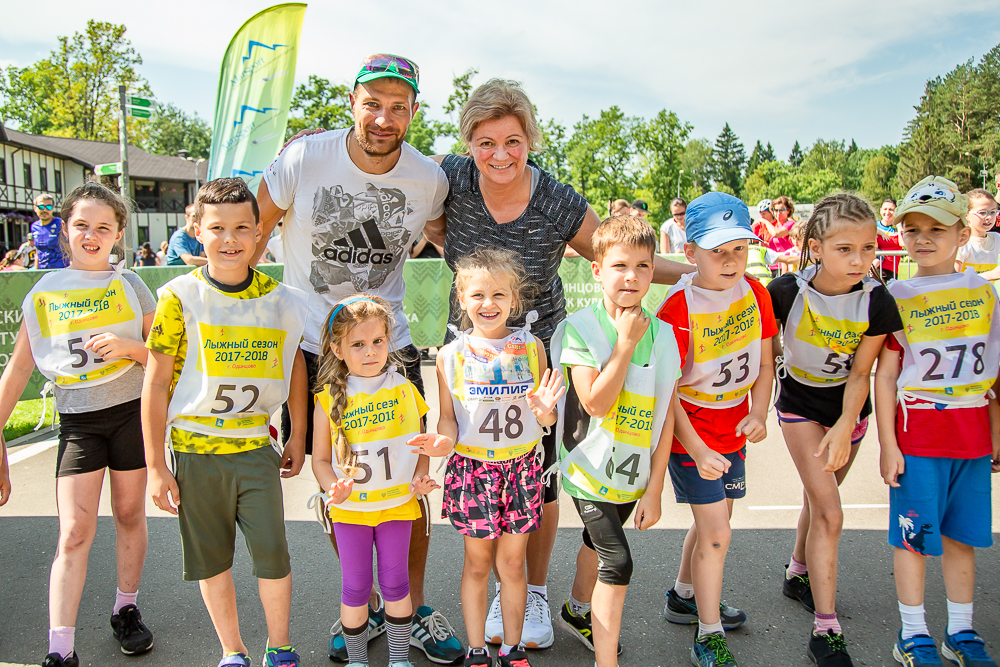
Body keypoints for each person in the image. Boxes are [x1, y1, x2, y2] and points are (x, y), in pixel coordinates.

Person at [425, 79, 695, 649]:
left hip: (539, 359)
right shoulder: (447, 178)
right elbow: (415, 210)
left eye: (513, 140)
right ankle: (490, 588)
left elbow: (619, 256)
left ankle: (533, 591)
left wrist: (701, 272)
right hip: (471, 353)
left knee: (536, 480)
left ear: (531, 139)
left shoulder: (556, 200)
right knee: (478, 469)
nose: (500, 154)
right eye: (485, 141)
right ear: (468, 142)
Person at [255, 54, 464, 664]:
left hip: (388, 343)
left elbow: (451, 239)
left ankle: (410, 605)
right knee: (337, 479)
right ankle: (362, 602)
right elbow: (255, 227)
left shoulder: (428, 177)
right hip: (315, 345)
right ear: (352, 101)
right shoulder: (305, 157)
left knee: (407, 482)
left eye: (398, 106)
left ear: (413, 113)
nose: (383, 117)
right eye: (372, 103)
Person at [142, 178, 310, 667]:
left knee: (273, 556)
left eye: (242, 227)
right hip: (196, 453)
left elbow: (294, 364)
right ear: (197, 230)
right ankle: (231, 650)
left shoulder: (284, 300)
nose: (230, 238)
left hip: (257, 449)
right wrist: (156, 465)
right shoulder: (178, 297)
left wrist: (298, 431)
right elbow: (155, 384)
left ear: (260, 232)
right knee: (213, 562)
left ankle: (278, 646)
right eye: (217, 228)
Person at [0, 182, 157, 667]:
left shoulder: (131, 286)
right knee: (73, 531)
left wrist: (131, 349)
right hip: (79, 423)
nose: (92, 234)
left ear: (118, 235)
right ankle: (60, 648)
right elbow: (20, 369)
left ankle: (124, 609)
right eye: (82, 225)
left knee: (130, 515)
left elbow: (167, 357)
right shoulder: (45, 293)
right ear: (65, 230)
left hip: (131, 416)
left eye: (103, 227)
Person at [767, 194, 903, 667]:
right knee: (830, 512)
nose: (860, 259)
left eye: (868, 248)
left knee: (817, 498)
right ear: (816, 247)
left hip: (849, 409)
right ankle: (825, 630)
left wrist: (848, 422)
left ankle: (797, 573)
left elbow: (862, 373)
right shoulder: (785, 291)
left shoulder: (877, 301)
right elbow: (764, 349)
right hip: (801, 405)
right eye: (845, 249)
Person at [411, 248, 564, 667]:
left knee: (513, 566)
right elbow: (447, 421)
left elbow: (546, 416)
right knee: (478, 564)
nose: (488, 304)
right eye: (478, 295)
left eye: (499, 295)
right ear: (461, 299)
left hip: (522, 468)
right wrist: (442, 444)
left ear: (514, 300)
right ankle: (478, 650)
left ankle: (512, 650)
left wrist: (546, 412)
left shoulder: (531, 347)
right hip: (472, 471)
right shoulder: (449, 356)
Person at [875, 175, 1000, 667]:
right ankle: (913, 633)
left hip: (971, 436)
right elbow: (884, 377)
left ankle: (962, 631)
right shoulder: (895, 295)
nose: (923, 238)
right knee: (914, 537)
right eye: (912, 228)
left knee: (961, 536)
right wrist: (888, 445)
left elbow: (994, 374)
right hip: (918, 434)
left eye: (938, 228)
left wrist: (996, 436)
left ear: (962, 235)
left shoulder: (986, 294)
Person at [551, 215, 680, 667]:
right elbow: (595, 404)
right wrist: (624, 346)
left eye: (643, 267)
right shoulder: (580, 328)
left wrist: (656, 486)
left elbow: (666, 414)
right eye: (620, 265)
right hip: (588, 469)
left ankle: (576, 610)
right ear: (597, 269)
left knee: (594, 541)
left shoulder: (664, 335)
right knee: (617, 561)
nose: (632, 276)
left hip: (633, 471)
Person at [656, 193, 777, 667]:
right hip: (694, 432)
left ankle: (684, 595)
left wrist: (761, 412)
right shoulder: (677, 308)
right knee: (717, 534)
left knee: (716, 523)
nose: (730, 261)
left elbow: (767, 362)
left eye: (739, 249)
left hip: (735, 427)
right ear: (690, 252)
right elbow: (665, 392)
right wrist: (696, 447)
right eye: (716, 250)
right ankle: (707, 634)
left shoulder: (757, 293)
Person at [312, 295, 439, 667]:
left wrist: (420, 478)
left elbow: (421, 445)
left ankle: (399, 660)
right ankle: (357, 662)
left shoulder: (405, 390)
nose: (371, 352)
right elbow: (320, 459)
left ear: (389, 340)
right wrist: (330, 486)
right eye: (358, 344)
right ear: (337, 348)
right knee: (354, 587)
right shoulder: (328, 399)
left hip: (398, 505)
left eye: (378, 342)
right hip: (351, 511)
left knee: (396, 584)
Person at [955, 188, 1000, 280]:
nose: (989, 217)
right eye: (982, 213)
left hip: (986, 294)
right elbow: (954, 281)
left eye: (993, 212)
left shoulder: (996, 238)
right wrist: (989, 275)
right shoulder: (960, 243)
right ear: (966, 215)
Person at [31, 194, 68, 270]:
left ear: (53, 208)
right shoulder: (34, 226)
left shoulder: (60, 224)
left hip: (60, 269)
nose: (45, 210)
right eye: (41, 207)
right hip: (43, 270)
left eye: (49, 207)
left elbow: (70, 248)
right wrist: (36, 271)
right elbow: (38, 251)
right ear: (35, 208)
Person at [876, 199, 902, 282]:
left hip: (890, 270)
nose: (887, 212)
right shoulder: (873, 225)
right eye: (885, 209)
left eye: (891, 210)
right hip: (873, 268)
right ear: (880, 210)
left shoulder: (898, 229)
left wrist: (899, 226)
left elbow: (903, 243)